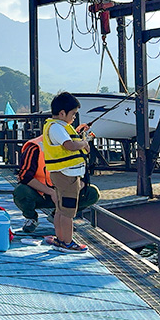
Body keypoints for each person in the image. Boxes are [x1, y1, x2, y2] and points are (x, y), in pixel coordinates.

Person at [13, 134, 99, 235]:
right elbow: (24, 176)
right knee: (20, 191)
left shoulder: (74, 146)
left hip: (65, 193)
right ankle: (31, 217)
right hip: (40, 194)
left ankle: (60, 217)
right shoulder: (35, 147)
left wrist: (72, 189)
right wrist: (52, 192)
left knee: (92, 193)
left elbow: (83, 177)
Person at [41, 92, 92, 252]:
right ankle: (68, 242)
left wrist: (79, 137)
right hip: (67, 174)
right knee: (69, 211)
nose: (75, 117)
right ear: (62, 113)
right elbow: (68, 145)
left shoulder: (55, 126)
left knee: (61, 209)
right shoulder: (57, 127)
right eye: (73, 114)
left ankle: (60, 239)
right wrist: (83, 143)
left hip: (61, 173)